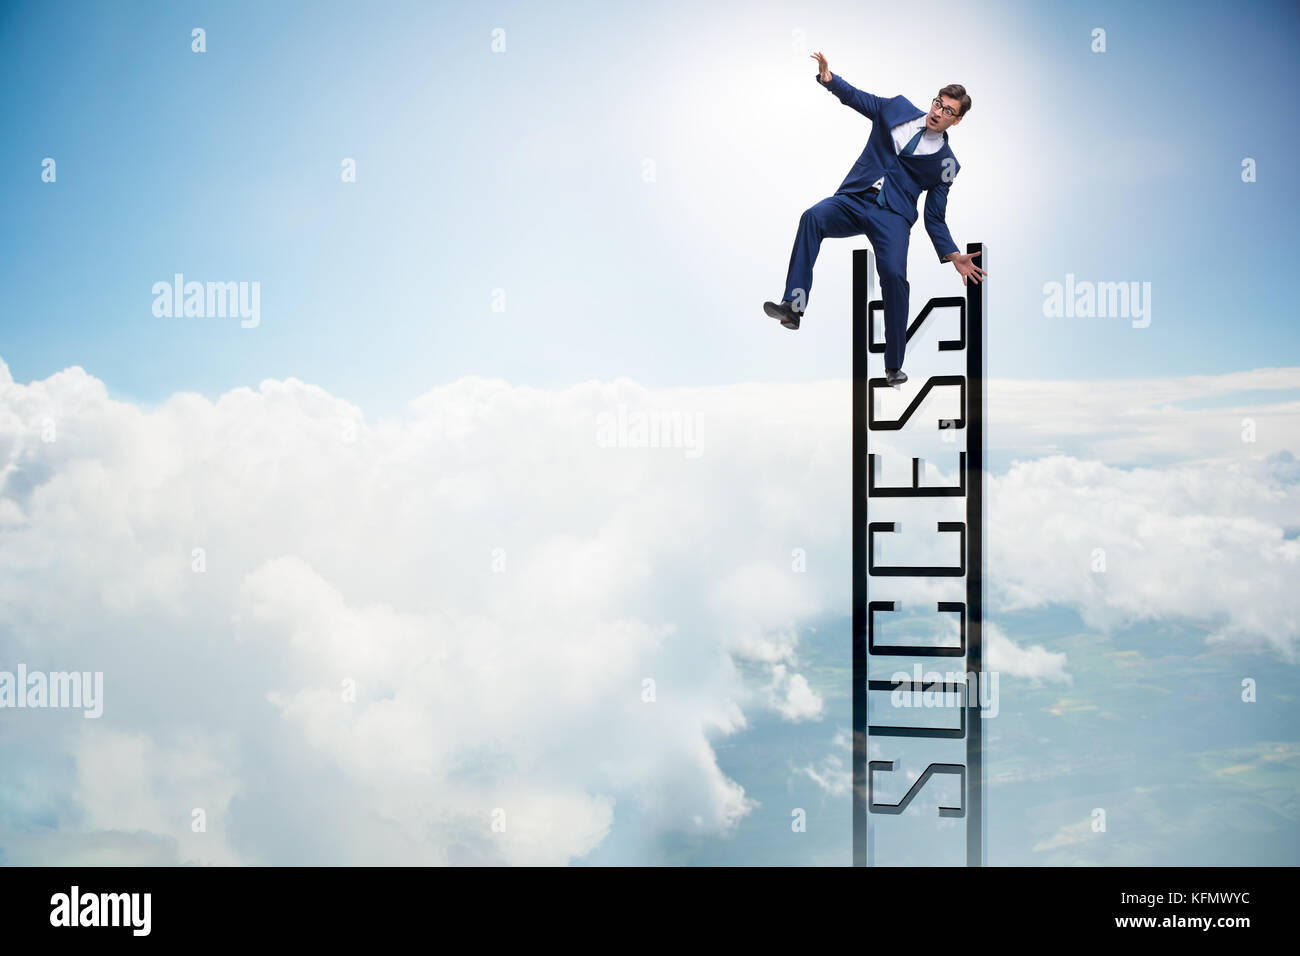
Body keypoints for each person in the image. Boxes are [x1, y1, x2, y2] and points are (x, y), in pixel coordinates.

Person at [765, 52, 986, 386]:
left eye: (948, 111)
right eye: (938, 104)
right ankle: (793, 307)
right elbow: (858, 98)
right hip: (854, 198)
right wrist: (829, 80)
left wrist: (953, 254)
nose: (939, 112)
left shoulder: (947, 164)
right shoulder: (896, 108)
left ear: (957, 121)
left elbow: (934, 217)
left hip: (892, 218)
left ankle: (893, 365)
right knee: (812, 217)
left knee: (895, 277)